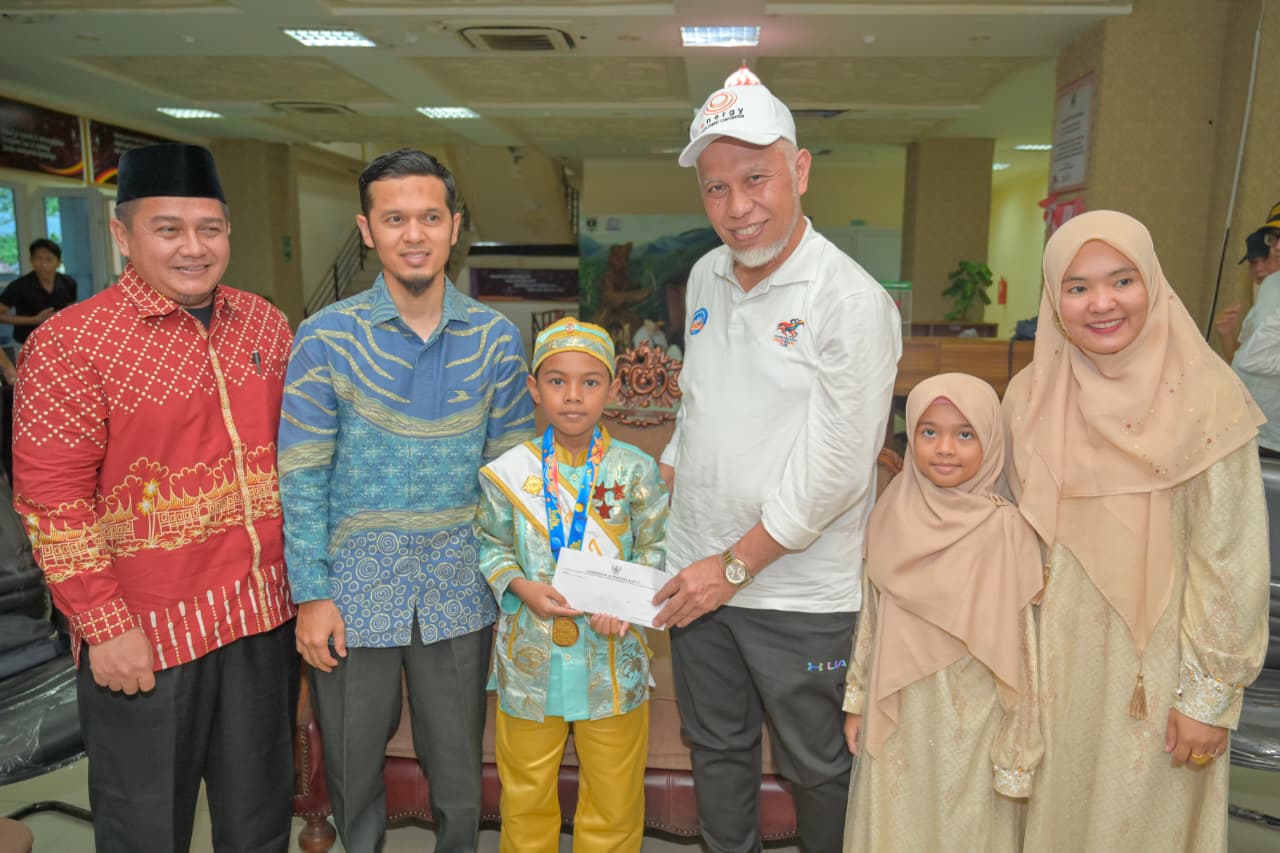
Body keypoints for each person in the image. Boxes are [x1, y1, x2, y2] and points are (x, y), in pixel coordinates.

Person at [11, 142, 297, 853]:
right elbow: (52, 500)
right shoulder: (72, 342)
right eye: (168, 229)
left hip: (262, 616)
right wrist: (104, 625)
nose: (193, 248)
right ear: (122, 234)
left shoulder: (264, 324)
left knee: (261, 819)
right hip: (146, 633)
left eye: (210, 228)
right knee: (146, 826)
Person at [652, 71, 902, 853]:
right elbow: (697, 405)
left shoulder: (849, 299)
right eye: (716, 187)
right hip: (698, 579)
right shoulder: (705, 274)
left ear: (799, 170)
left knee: (818, 766)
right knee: (716, 750)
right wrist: (666, 487)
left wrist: (733, 566)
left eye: (756, 178)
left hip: (799, 593)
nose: (737, 206)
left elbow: (837, 470)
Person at [279, 147, 535, 853]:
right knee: (352, 767)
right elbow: (300, 475)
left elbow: (512, 478)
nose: (414, 234)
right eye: (394, 219)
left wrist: (519, 583)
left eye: (429, 216)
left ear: (455, 225)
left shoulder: (495, 339)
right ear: (367, 230)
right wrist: (311, 594)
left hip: (460, 585)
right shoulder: (325, 339)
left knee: (458, 772)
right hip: (351, 592)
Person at [1003, 210, 1271, 852]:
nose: (1102, 303)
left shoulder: (1208, 396)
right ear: (1054, 297)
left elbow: (1230, 558)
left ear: (1152, 281)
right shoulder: (1028, 397)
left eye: (1122, 280)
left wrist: (1207, 696)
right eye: (1078, 287)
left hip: (1156, 675)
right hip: (1045, 668)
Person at [476, 316, 668, 853]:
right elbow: (490, 543)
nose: (574, 396)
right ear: (534, 389)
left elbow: (656, 548)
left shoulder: (636, 471)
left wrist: (626, 605)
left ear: (613, 387)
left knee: (614, 798)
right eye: (557, 381)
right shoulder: (508, 473)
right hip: (529, 659)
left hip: (612, 657)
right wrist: (519, 586)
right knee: (525, 794)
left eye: (590, 381)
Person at [842, 373, 1042, 852]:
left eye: (965, 433)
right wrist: (857, 700)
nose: (945, 448)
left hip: (977, 713)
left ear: (991, 439)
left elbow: (1023, 645)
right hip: (900, 706)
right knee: (899, 822)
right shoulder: (891, 513)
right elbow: (872, 620)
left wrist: (1019, 735)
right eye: (929, 432)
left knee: (966, 826)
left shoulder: (1006, 528)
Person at [1213, 227, 1278, 361]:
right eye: (1253, 263)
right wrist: (1227, 334)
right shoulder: (1259, 308)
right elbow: (1242, 363)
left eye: (1266, 259)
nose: (1259, 268)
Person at [0, 237, 76, 347]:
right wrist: (34, 320)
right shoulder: (19, 286)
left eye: (49, 259)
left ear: (58, 263)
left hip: (59, 340)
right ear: (31, 261)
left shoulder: (68, 282)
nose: (43, 264)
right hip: (27, 342)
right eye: (38, 259)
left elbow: (70, 308)